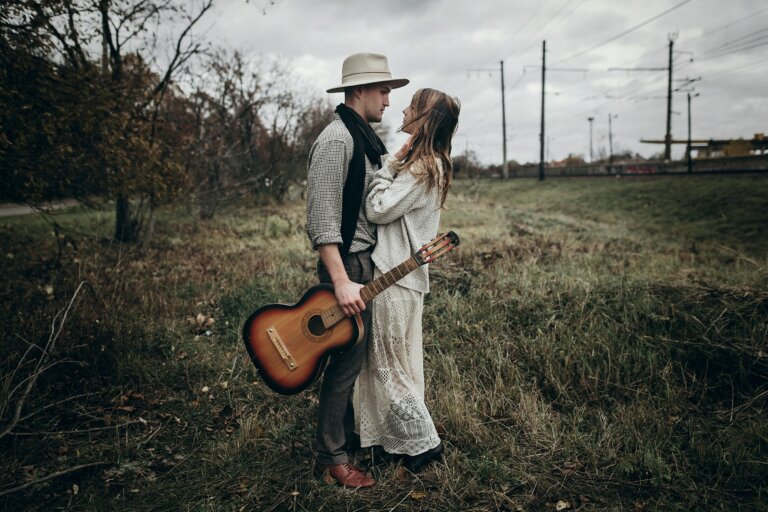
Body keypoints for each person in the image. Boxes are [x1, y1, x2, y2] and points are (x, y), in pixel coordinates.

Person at [305, 52, 408, 488]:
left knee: (355, 359)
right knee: (345, 362)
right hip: (345, 266)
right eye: (383, 90)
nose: (387, 99)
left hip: (361, 263)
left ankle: (347, 440)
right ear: (360, 90)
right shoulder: (336, 140)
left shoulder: (362, 138)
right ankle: (333, 457)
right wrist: (342, 280)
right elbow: (322, 219)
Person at [354, 88, 460, 473]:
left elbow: (378, 208)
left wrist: (387, 165)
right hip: (404, 278)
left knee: (387, 363)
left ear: (424, 119)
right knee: (396, 361)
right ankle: (390, 440)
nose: (401, 108)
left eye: (411, 106)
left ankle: (423, 444)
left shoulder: (423, 167)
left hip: (395, 279)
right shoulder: (430, 164)